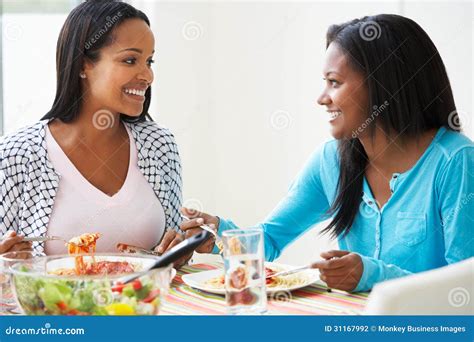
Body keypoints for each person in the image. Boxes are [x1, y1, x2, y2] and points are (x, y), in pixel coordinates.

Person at [171, 14, 474, 292]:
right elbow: (271, 239)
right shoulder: (332, 160)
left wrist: (372, 274)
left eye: (335, 82)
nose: (321, 98)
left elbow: (464, 290)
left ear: (384, 86)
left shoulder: (456, 162)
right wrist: (216, 235)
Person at [0, 0, 186, 263]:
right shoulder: (16, 154)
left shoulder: (160, 145)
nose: (148, 76)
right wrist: (6, 262)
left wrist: (178, 250)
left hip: (146, 303)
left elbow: (175, 249)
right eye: (130, 60)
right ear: (82, 65)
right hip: (54, 305)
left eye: (149, 61)